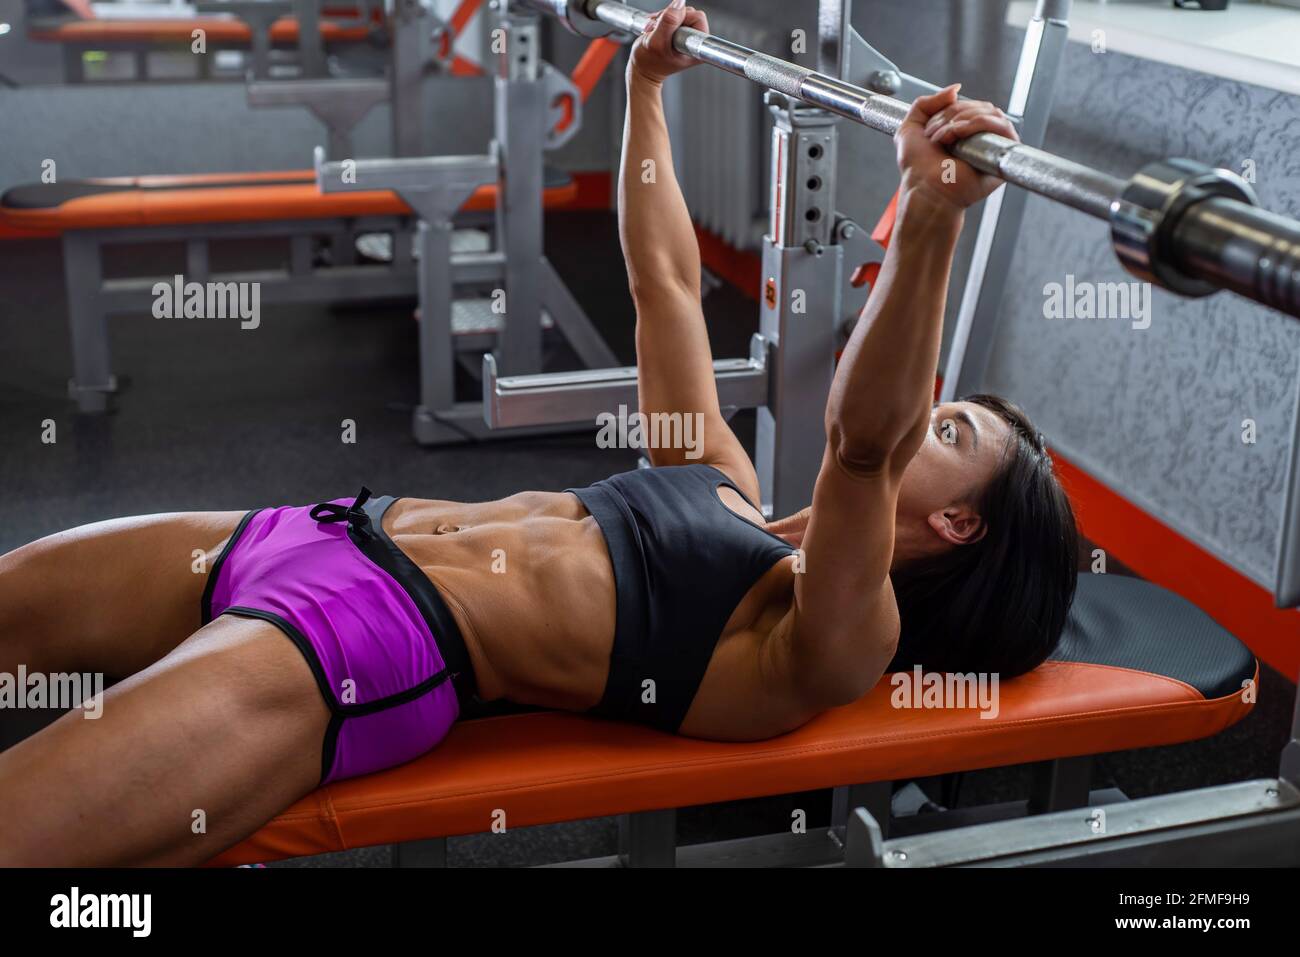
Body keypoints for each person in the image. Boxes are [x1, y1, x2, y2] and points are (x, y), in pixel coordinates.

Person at [0, 1, 1077, 865]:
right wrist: (648, 88)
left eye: (950, 425)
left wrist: (929, 214)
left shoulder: (832, 641)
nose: (920, 418)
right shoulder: (719, 480)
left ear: (957, 522)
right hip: (310, 532)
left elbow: (858, 445)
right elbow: (662, 288)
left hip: (359, 645)